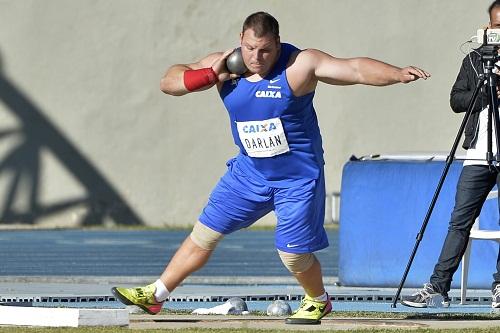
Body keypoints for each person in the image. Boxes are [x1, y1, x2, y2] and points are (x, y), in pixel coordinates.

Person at [112, 11, 430, 324]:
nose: (257, 57)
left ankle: (318, 300)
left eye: (265, 50)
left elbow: (355, 69)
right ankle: (156, 295)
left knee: (292, 255)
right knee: (203, 234)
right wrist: (207, 77)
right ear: (241, 41)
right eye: (250, 49)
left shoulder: (299, 65)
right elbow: (169, 81)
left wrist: (397, 73)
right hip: (248, 174)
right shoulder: (225, 65)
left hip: (297, 178)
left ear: (277, 44)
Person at [401, 0, 500, 309]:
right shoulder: (474, 61)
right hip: (478, 152)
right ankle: (438, 286)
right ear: (488, 27)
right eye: (497, 27)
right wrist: (485, 89)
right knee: (459, 222)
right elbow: (456, 100)